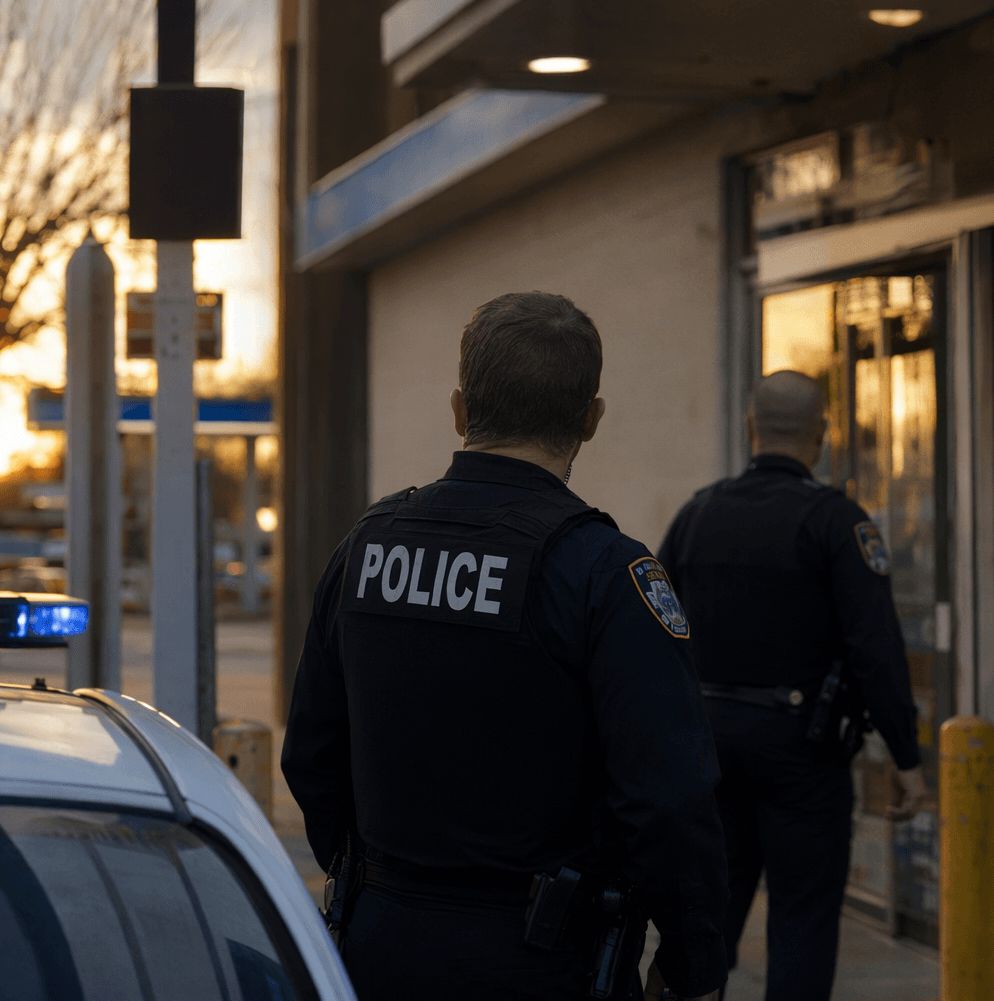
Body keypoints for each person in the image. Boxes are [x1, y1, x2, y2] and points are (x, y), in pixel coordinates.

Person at [282, 292, 728, 1001]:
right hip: (543, 959)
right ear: (591, 419)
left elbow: (311, 754)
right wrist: (690, 962)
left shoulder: (366, 548)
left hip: (377, 948)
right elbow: (668, 799)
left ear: (459, 411)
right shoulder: (605, 573)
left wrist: (378, 883)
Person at [656, 370, 927, 1001]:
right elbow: (876, 649)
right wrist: (906, 757)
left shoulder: (697, 514)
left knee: (706, 923)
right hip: (803, 753)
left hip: (710, 750)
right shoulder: (836, 522)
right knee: (802, 922)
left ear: (751, 428)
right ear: (822, 435)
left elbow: (655, 631)